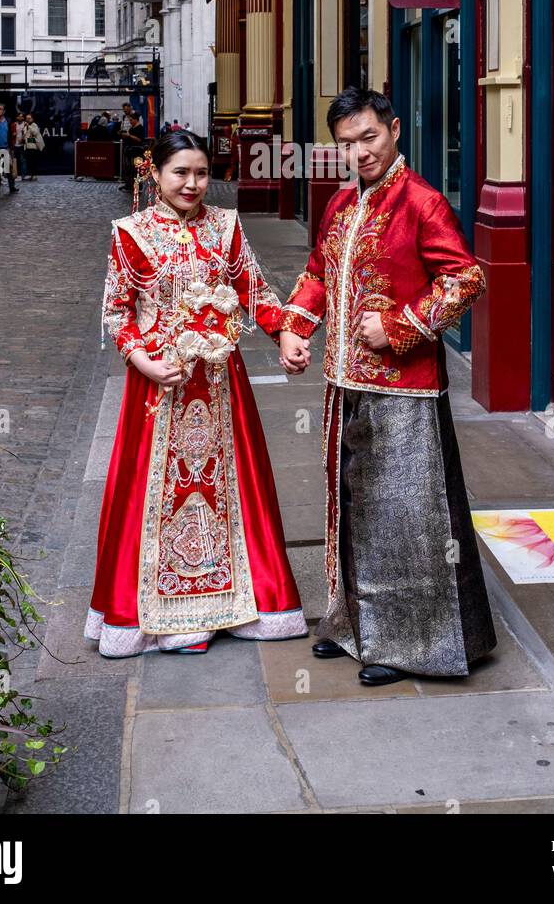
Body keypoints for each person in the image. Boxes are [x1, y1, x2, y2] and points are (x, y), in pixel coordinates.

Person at [278, 87, 496, 687]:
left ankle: (413, 645)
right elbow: (318, 272)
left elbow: (465, 280)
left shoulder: (422, 202)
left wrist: (399, 325)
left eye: (368, 137)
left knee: (407, 515)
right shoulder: (344, 206)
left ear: (394, 129)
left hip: (407, 387)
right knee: (355, 508)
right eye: (347, 144)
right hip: (344, 382)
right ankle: (356, 628)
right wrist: (296, 327)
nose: (359, 152)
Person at [84, 130, 307, 657]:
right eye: (180, 172)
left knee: (232, 489)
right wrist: (144, 362)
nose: (192, 183)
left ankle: (232, 605)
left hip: (220, 385)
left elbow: (255, 290)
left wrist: (287, 334)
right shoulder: (131, 233)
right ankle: (160, 614)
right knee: (152, 496)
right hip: (157, 390)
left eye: (201, 173)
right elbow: (116, 313)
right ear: (155, 173)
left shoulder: (226, 227)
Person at [0, 103, 18, 195]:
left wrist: (11, 147)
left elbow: (10, 135)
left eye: (0, 109)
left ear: (4, 111)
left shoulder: (8, 121)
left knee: (8, 169)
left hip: (5, 148)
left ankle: (11, 187)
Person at [119, 106, 144, 194]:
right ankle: (129, 185)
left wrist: (129, 136)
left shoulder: (140, 128)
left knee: (136, 170)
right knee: (129, 169)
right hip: (130, 150)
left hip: (136, 151)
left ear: (136, 120)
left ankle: (137, 187)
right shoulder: (132, 128)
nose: (130, 122)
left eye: (131, 120)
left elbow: (140, 139)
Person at [23, 113, 45, 179]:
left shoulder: (34, 125)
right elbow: (26, 136)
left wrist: (28, 127)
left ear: (32, 119)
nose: (27, 119)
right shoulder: (26, 126)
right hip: (27, 147)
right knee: (29, 162)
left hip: (33, 147)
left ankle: (34, 175)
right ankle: (31, 175)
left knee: (33, 162)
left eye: (29, 118)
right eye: (26, 118)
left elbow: (35, 133)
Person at [12, 111, 28, 180]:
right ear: (16, 117)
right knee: (14, 161)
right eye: (19, 116)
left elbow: (29, 135)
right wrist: (13, 135)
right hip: (14, 145)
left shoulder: (25, 124)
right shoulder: (13, 125)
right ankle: (14, 175)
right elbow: (9, 135)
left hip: (22, 145)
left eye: (21, 116)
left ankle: (23, 175)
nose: (20, 117)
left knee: (23, 160)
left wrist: (24, 138)